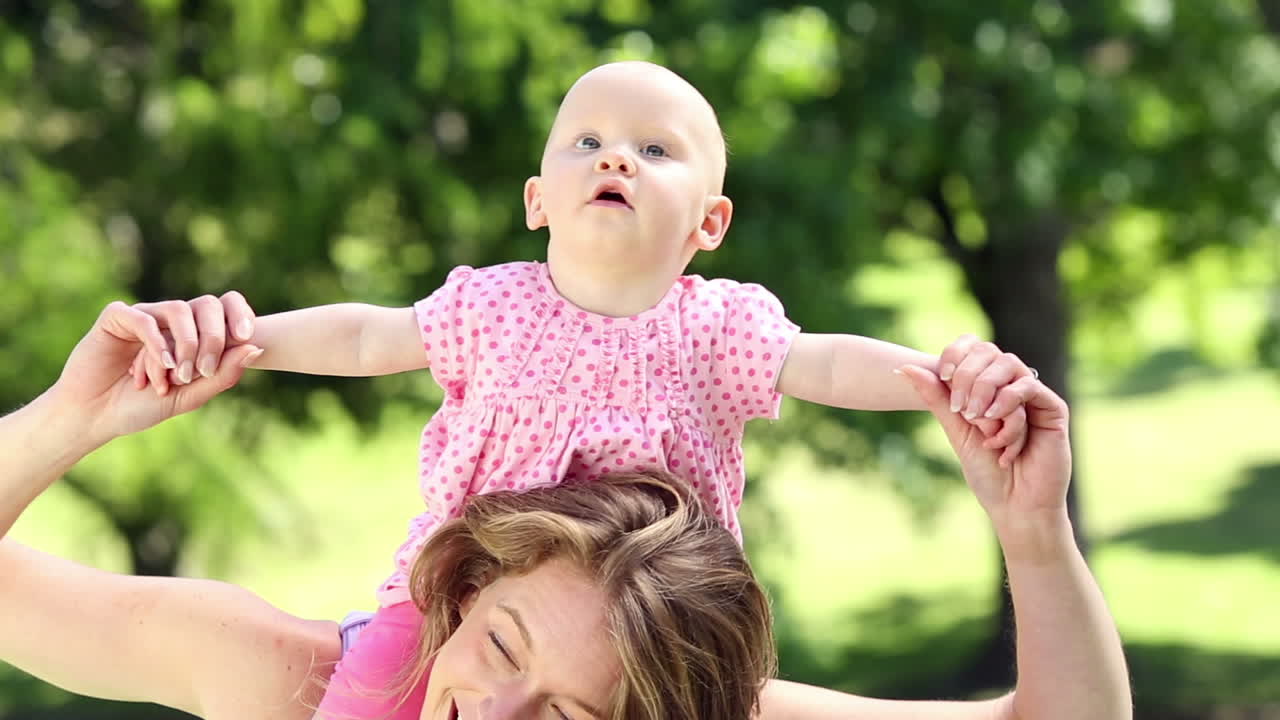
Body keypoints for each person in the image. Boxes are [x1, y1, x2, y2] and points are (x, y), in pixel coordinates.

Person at [129, 61, 1039, 719]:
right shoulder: (492, 306)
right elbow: (367, 336)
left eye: (655, 149)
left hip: (644, 631)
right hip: (460, 595)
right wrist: (240, 341)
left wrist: (942, 383)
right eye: (589, 142)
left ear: (711, 221)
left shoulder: (717, 329)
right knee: (368, 697)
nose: (616, 160)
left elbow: (827, 365)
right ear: (537, 201)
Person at [1, 297, 1131, 720]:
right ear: (461, 594)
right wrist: (68, 420)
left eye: (567, 718)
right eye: (499, 644)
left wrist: (1032, 539)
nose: (491, 714)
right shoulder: (283, 688)